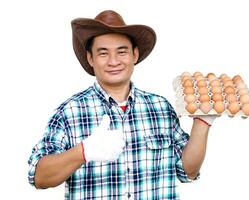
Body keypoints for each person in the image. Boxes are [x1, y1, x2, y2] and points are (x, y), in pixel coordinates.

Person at [28, 10, 216, 199]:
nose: (113, 61)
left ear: (134, 54)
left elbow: (188, 172)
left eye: (122, 51)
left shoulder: (161, 108)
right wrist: (82, 152)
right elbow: (39, 177)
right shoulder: (69, 112)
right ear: (90, 59)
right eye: (103, 53)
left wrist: (202, 123)